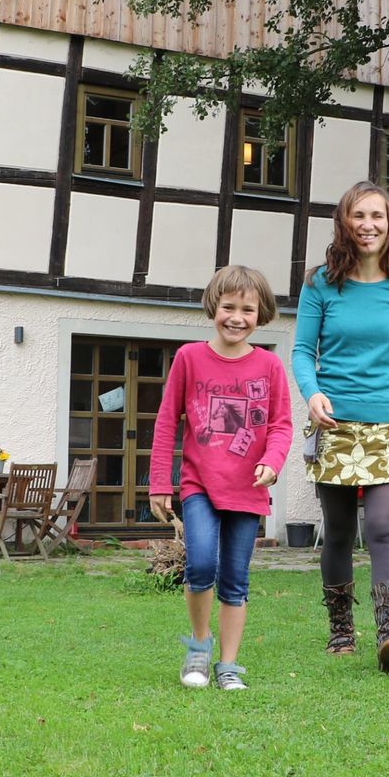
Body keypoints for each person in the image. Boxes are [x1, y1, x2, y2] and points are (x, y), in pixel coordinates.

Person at [292, 180, 389, 672]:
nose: (368, 225)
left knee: (382, 525)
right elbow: (302, 351)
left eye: (377, 216)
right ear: (344, 224)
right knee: (339, 532)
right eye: (359, 216)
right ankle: (340, 629)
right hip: (338, 423)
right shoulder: (320, 284)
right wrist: (312, 394)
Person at [147, 265, 293, 692]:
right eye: (229, 306)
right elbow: (165, 422)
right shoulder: (189, 358)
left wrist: (273, 460)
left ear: (260, 314)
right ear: (214, 307)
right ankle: (198, 647)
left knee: (235, 577)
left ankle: (228, 666)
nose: (237, 317)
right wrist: (160, 482)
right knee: (201, 563)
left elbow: (282, 425)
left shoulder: (268, 365)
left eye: (248, 309)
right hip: (199, 486)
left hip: (248, 490)